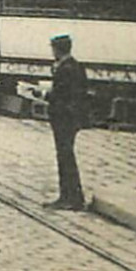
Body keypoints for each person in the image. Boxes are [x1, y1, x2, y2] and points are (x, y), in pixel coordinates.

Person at [43, 32, 89, 210]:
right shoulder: (75, 66)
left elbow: (61, 95)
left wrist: (44, 94)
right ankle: (72, 196)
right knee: (66, 156)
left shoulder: (65, 68)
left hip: (64, 118)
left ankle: (70, 197)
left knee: (65, 157)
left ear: (57, 50)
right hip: (70, 118)